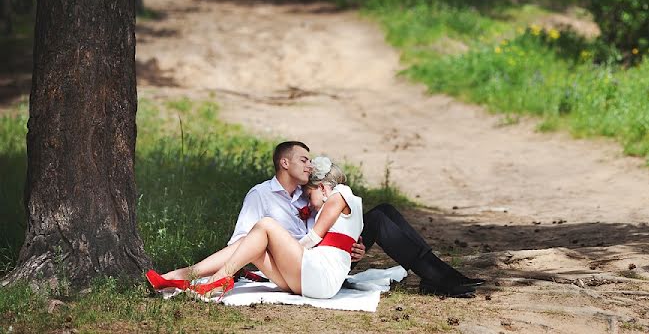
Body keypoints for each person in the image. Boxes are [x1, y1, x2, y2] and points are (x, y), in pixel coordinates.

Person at [148, 141, 482, 297]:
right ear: (284, 164)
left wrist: (356, 246)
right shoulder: (261, 195)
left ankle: (437, 274)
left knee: (384, 213)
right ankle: (438, 276)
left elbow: (326, 233)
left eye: (310, 163)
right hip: (297, 263)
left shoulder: (312, 197)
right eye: (303, 161)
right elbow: (240, 243)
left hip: (321, 259)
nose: (309, 167)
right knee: (379, 218)